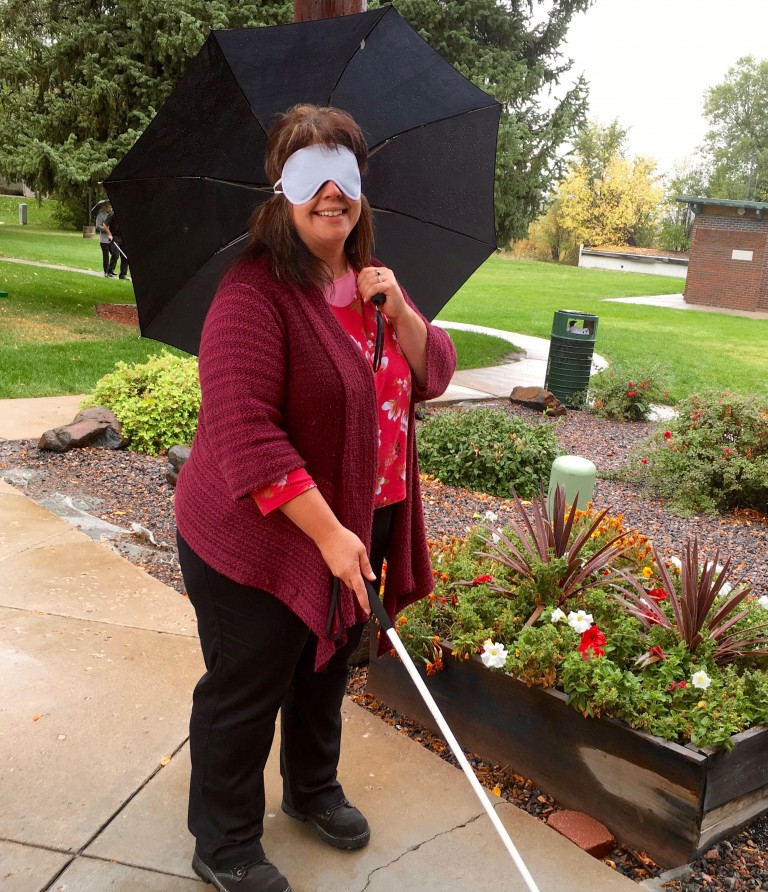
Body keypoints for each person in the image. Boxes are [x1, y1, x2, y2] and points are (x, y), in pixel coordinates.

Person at [174, 104, 456, 892]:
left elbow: (434, 372)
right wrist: (330, 535)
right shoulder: (251, 294)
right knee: (247, 685)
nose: (331, 189)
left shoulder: (371, 285)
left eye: (346, 171)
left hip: (364, 517)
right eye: (309, 171)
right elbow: (246, 434)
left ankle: (311, 790)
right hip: (258, 534)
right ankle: (224, 841)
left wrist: (396, 304)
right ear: (280, 191)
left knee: (325, 666)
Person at [105, 210, 129, 279]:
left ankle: (122, 274)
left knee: (125, 256)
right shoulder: (112, 214)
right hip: (115, 237)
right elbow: (105, 225)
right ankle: (109, 271)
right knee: (115, 254)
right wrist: (109, 234)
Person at [94, 200, 114, 276]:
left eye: (111, 207)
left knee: (115, 254)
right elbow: (98, 226)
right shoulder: (101, 215)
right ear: (105, 207)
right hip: (104, 239)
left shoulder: (112, 215)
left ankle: (111, 270)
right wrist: (106, 228)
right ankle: (106, 271)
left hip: (112, 239)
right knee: (106, 256)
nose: (111, 209)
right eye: (109, 207)